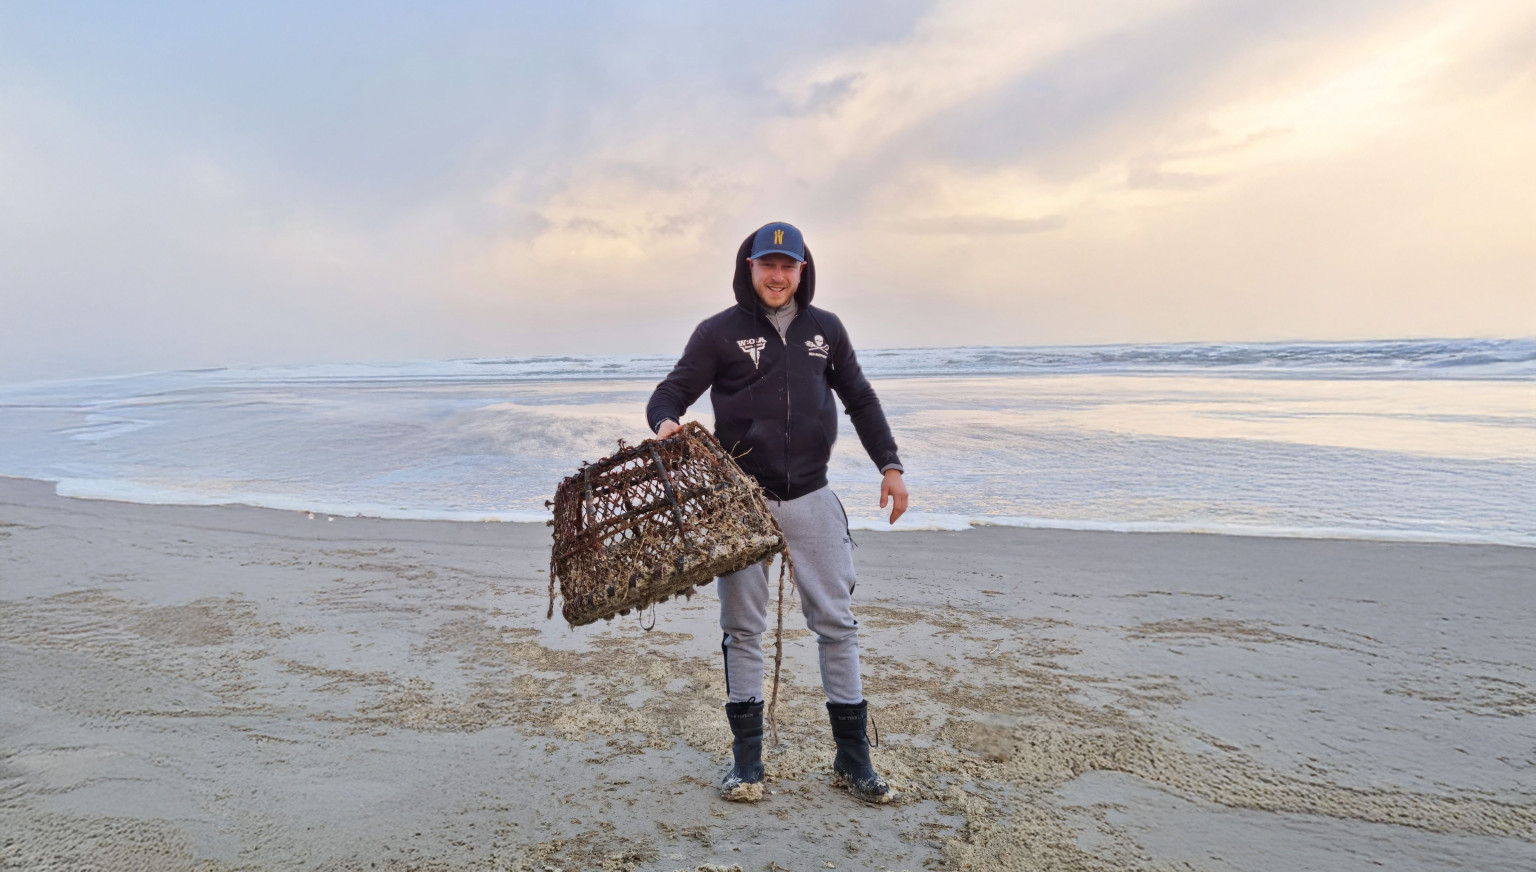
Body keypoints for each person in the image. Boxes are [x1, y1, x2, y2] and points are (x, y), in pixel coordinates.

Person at [646, 221, 908, 804]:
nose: (777, 275)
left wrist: (889, 466)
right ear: (750, 266)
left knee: (836, 624)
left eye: (788, 267)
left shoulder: (826, 331)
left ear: (802, 271)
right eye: (768, 264)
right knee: (743, 629)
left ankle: (852, 761)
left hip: (812, 494)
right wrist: (666, 424)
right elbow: (668, 395)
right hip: (741, 501)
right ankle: (747, 766)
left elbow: (860, 398)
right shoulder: (718, 333)